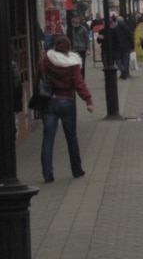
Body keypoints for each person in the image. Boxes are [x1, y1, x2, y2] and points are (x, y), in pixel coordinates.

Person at [37, 36, 94, 183]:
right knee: (71, 136)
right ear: (69, 48)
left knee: (48, 138)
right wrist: (88, 100)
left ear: (55, 46)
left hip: (49, 101)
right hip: (67, 100)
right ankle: (77, 169)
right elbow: (79, 83)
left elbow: (38, 79)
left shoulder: (45, 60)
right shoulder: (73, 63)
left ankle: (47, 174)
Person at [66, 14, 90, 79]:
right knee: (74, 65)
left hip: (82, 49)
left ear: (79, 20)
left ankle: (82, 78)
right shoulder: (70, 29)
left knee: (82, 65)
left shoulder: (83, 28)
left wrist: (88, 49)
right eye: (75, 18)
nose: (76, 20)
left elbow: (87, 39)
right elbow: (68, 38)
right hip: (73, 49)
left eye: (77, 18)